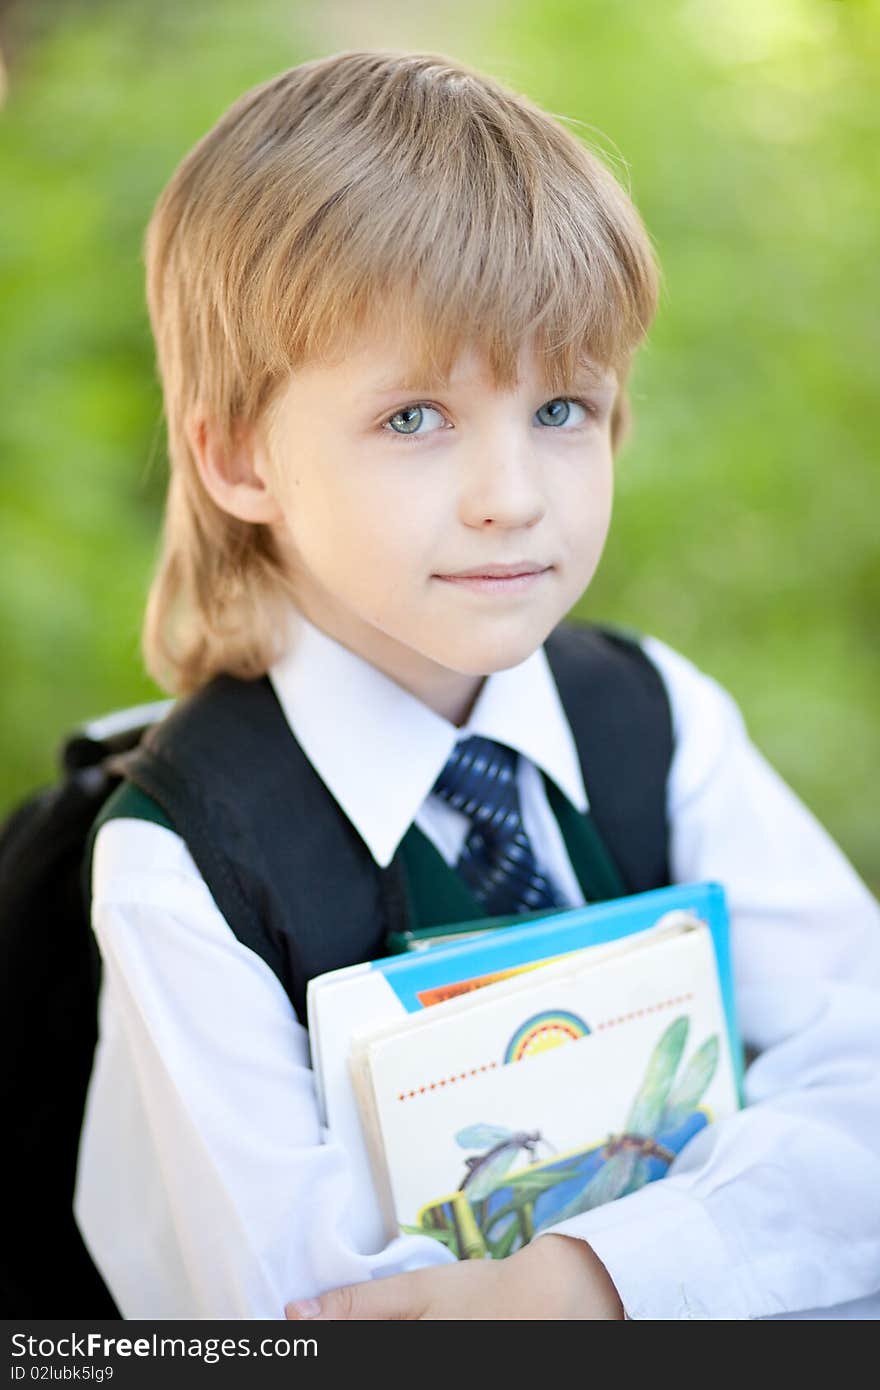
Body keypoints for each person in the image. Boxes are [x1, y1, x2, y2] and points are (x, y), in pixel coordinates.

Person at [74, 49, 880, 1321]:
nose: (511, 496)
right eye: (414, 419)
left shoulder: (655, 722)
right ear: (237, 458)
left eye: (562, 407)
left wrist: (597, 1279)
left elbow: (869, 1074)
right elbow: (308, 1312)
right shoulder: (188, 866)